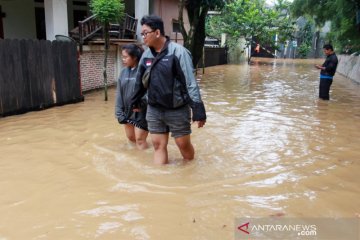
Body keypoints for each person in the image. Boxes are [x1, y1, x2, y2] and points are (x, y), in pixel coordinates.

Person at [129, 15, 206, 165]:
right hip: (154, 110)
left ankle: (190, 172)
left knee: (183, 145)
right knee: (158, 146)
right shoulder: (146, 55)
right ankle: (160, 182)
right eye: (142, 33)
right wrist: (135, 102)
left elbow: (190, 83)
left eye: (145, 33)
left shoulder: (178, 52)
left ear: (157, 33)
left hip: (177, 109)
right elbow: (139, 82)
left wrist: (198, 110)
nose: (143, 37)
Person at [115, 44, 148, 150]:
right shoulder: (123, 72)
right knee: (131, 138)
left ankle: (144, 163)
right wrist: (118, 113)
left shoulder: (144, 71)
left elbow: (150, 91)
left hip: (141, 111)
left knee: (139, 139)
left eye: (125, 57)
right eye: (122, 57)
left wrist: (142, 103)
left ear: (135, 57)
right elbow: (119, 93)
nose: (123, 59)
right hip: (127, 111)